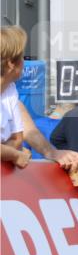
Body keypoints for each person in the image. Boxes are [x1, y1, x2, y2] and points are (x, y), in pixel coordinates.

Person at [1, 26, 31, 168]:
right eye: (22, 57)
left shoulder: (10, 89)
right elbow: (17, 148)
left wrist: (6, 150)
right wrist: (15, 154)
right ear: (11, 63)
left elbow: (17, 140)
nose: (24, 62)